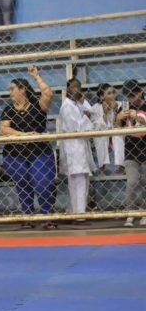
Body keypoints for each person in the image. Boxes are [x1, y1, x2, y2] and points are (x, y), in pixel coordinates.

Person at [0, 66, 56, 229]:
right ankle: (28, 216)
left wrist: (36, 77)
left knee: (43, 184)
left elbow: (48, 93)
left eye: (12, 89)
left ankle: (47, 215)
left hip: (39, 152)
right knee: (23, 185)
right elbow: (4, 129)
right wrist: (25, 135)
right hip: (15, 155)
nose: (10, 93)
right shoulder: (9, 110)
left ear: (22, 89)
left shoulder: (37, 106)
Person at [58, 77, 96, 221]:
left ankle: (77, 212)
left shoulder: (77, 104)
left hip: (81, 146)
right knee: (78, 182)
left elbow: (92, 112)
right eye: (73, 87)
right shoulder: (67, 106)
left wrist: (83, 101)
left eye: (79, 87)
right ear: (67, 89)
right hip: (74, 148)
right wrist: (86, 117)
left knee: (82, 181)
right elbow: (77, 127)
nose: (76, 90)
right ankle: (79, 215)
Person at [117, 79, 146, 227]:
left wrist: (138, 118)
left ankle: (144, 212)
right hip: (130, 150)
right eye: (128, 96)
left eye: (133, 95)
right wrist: (118, 119)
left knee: (145, 181)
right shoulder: (125, 107)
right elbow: (117, 128)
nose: (131, 99)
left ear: (140, 92)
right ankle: (131, 212)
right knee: (132, 182)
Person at [90, 83, 125, 173]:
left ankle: (121, 167)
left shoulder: (120, 105)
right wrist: (105, 113)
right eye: (109, 93)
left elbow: (119, 126)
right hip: (102, 133)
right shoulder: (94, 109)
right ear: (102, 97)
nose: (112, 95)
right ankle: (102, 167)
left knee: (118, 136)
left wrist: (116, 110)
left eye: (113, 92)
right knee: (100, 138)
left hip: (116, 131)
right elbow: (96, 127)